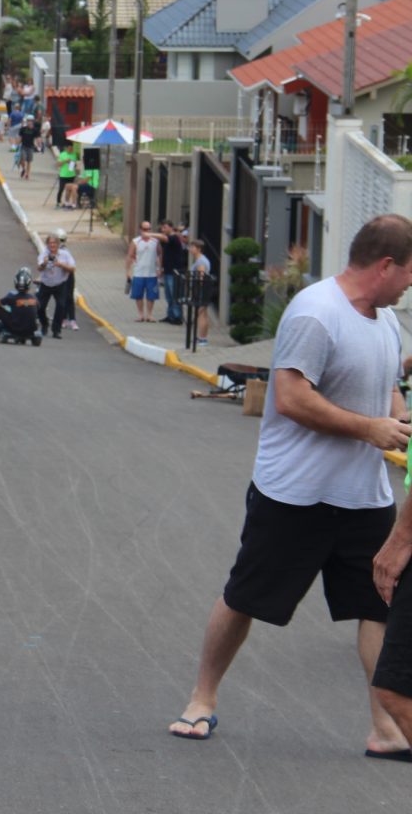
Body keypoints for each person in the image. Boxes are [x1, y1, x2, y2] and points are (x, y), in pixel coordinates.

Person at [169, 214, 412, 754]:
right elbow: (292, 398)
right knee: (245, 597)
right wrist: (370, 429)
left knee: (380, 606)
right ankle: (202, 698)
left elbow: (387, 388)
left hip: (364, 496)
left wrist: (398, 419)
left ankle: (385, 728)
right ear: (386, 265)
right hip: (295, 494)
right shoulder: (316, 313)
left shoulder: (386, 323)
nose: (410, 285)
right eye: (409, 273)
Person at [0, 267, 42, 344]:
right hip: (31, 329)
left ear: (16, 283)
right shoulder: (34, 298)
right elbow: (38, 309)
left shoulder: (12, 297)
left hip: (15, 328)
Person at [36, 231, 75, 339]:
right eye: (50, 243)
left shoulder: (65, 254)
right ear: (47, 244)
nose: (52, 245)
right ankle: (44, 325)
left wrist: (60, 264)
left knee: (61, 306)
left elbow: (72, 268)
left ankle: (56, 330)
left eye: (54, 243)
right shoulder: (44, 254)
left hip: (60, 284)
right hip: (46, 284)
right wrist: (44, 263)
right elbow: (39, 268)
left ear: (58, 244)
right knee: (40, 307)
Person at [126, 220, 163, 323]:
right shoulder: (135, 241)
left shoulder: (155, 241)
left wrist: (159, 268)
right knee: (138, 295)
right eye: (145, 229)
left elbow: (159, 254)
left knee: (151, 295)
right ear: (140, 230)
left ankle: (149, 315)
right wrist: (128, 271)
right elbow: (130, 256)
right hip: (139, 272)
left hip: (152, 273)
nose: (147, 231)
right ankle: (141, 315)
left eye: (149, 229)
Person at [160, 220, 189, 324]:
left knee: (175, 294)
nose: (163, 230)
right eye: (162, 228)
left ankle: (178, 317)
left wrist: (149, 234)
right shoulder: (166, 239)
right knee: (168, 296)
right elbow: (163, 254)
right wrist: (161, 268)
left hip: (175, 272)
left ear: (171, 227)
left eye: (165, 227)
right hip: (167, 270)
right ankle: (170, 315)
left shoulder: (174, 238)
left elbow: (164, 238)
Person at [187, 238, 212, 347]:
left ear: (199, 249)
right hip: (203, 289)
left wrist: (197, 289)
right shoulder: (200, 260)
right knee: (203, 313)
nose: (190, 249)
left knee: (201, 314)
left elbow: (201, 276)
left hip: (201, 289)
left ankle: (202, 338)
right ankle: (203, 337)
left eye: (192, 247)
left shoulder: (201, 261)